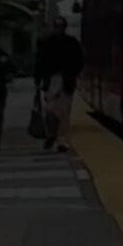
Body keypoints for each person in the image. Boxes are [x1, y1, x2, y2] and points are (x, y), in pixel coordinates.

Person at [35, 16, 83, 153]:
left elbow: (79, 61)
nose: (59, 29)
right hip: (51, 80)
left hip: (66, 80)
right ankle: (53, 134)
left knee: (64, 113)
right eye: (57, 26)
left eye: (61, 26)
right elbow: (39, 63)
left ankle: (62, 140)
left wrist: (72, 74)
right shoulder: (46, 43)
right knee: (51, 110)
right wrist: (38, 80)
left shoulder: (71, 43)